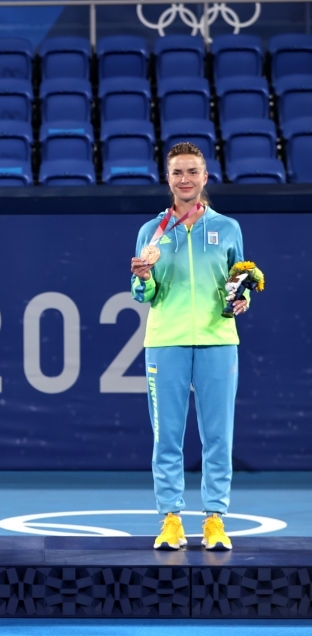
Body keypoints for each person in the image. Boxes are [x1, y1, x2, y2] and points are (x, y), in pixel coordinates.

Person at [130, 141, 249, 552]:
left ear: (205, 177)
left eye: (192, 172)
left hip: (218, 342)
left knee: (219, 436)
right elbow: (141, 294)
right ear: (168, 178)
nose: (185, 179)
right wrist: (143, 277)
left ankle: (215, 519)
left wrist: (242, 299)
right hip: (166, 343)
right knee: (167, 437)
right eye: (178, 172)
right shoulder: (151, 232)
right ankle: (171, 519)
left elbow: (239, 282)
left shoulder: (228, 228)